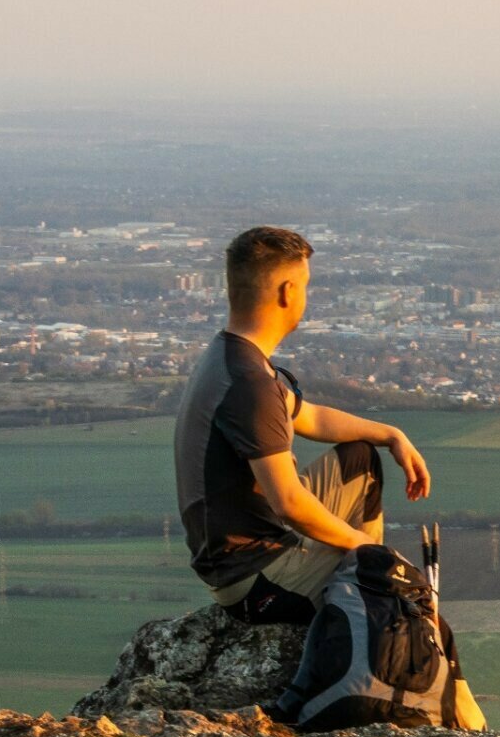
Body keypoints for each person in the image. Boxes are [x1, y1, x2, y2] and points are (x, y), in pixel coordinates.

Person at [174, 226, 432, 624]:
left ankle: (357, 581)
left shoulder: (233, 355)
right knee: (407, 594)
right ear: (287, 292)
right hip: (255, 578)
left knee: (360, 459)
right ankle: (365, 595)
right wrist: (364, 548)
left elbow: (310, 416)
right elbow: (289, 503)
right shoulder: (248, 383)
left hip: (252, 549)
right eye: (306, 286)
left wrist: (390, 435)